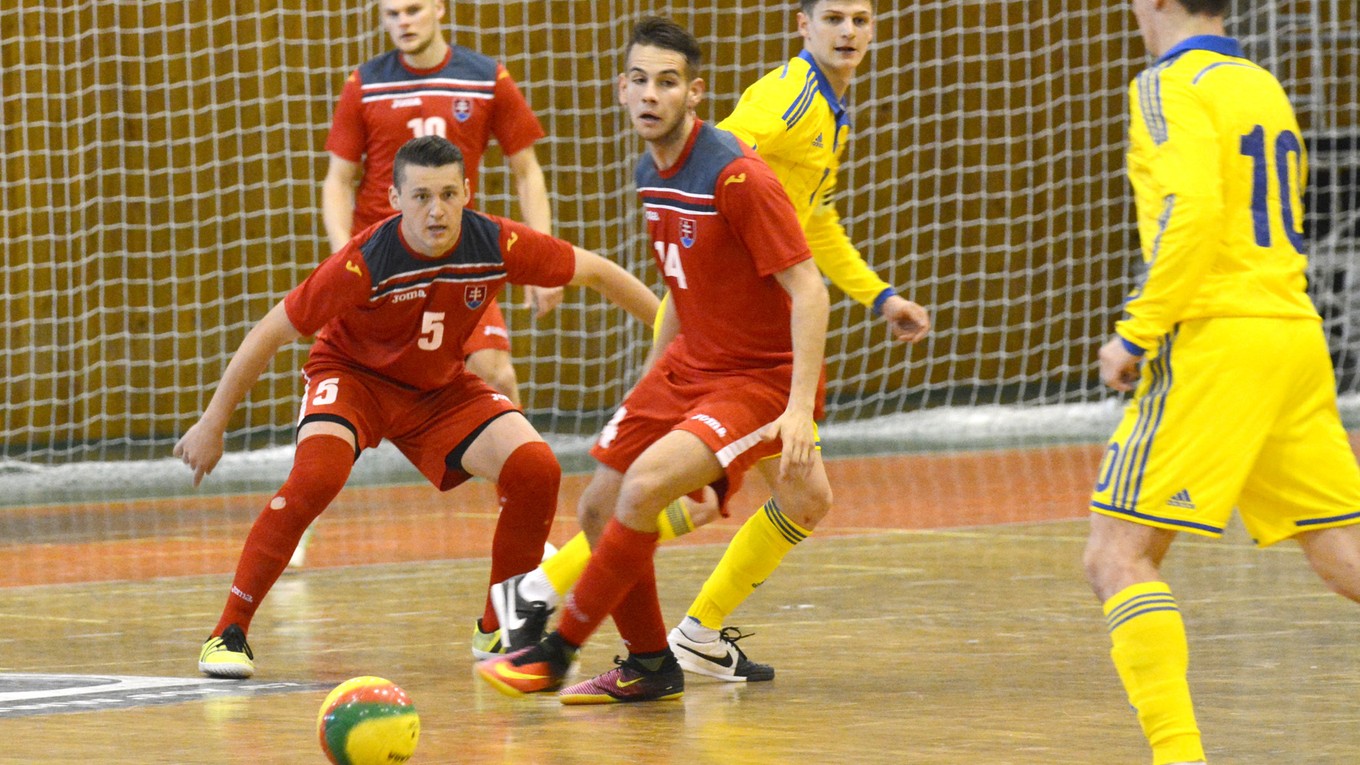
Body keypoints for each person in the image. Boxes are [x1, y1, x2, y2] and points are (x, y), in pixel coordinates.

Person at [486, 0, 931, 683]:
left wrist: (877, 295)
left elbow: (805, 223)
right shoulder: (782, 102)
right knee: (651, 496)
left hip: (759, 356)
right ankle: (594, 618)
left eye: (861, 19)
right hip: (715, 344)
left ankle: (566, 620)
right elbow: (724, 173)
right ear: (801, 25)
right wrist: (654, 376)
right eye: (834, 17)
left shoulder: (813, 119)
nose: (848, 32)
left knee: (733, 495)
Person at [180, 135, 659, 679]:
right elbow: (270, 331)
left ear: (468, 193)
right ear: (395, 199)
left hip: (436, 390)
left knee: (536, 468)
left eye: (450, 195)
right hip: (352, 378)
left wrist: (676, 332)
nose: (437, 210)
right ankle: (228, 630)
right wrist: (212, 422)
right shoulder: (364, 262)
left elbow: (600, 273)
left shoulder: (494, 242)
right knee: (316, 477)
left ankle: (500, 624)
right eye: (423, 196)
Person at [1082, 1, 1360, 762]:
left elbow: (1192, 211)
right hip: (1293, 335)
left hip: (1216, 339)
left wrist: (1136, 329)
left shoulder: (1167, 85)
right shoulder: (1259, 82)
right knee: (1341, 548)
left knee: (1116, 555)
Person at [293, 0, 560, 572]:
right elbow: (338, 180)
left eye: (413, 9)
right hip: (382, 269)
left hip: (454, 262)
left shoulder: (487, 77)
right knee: (343, 405)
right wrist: (346, 250)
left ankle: (520, 515)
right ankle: (301, 518)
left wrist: (541, 247)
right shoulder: (364, 84)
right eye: (390, 14)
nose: (402, 22)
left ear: (439, 8)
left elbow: (526, 167)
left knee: (496, 371)